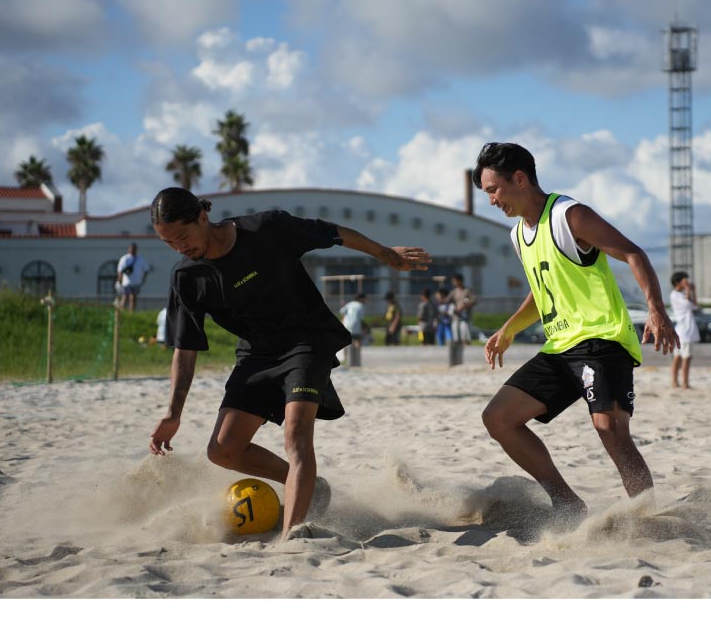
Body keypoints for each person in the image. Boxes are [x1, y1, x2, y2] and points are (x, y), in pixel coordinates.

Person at [146, 187, 431, 540]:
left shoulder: (266, 229)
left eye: (183, 237)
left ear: (203, 217)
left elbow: (335, 233)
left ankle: (293, 534)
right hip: (255, 355)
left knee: (296, 435)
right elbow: (185, 350)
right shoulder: (186, 277)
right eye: (168, 243)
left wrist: (384, 253)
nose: (179, 247)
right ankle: (311, 487)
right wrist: (174, 413)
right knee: (222, 450)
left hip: (306, 341)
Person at [474, 142, 677, 523]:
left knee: (610, 429)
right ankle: (566, 501)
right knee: (499, 418)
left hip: (602, 339)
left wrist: (656, 309)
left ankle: (650, 519)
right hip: (560, 346)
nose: (491, 201)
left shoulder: (570, 215)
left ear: (519, 178)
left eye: (493, 190)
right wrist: (508, 329)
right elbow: (542, 290)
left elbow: (634, 253)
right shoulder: (519, 234)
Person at [669, 271, 701, 389]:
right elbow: (687, 304)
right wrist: (688, 289)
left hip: (686, 329)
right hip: (684, 330)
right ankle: (683, 383)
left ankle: (679, 382)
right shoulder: (674, 295)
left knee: (680, 356)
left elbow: (695, 306)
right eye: (684, 280)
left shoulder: (682, 294)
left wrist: (693, 291)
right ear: (678, 282)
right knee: (683, 357)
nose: (686, 282)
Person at [116, 243, 152, 311]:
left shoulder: (140, 259)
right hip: (126, 282)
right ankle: (121, 311)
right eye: (132, 248)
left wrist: (143, 279)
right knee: (125, 297)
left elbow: (146, 270)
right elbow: (120, 270)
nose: (133, 250)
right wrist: (119, 280)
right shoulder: (125, 258)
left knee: (133, 297)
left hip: (136, 282)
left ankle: (131, 312)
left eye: (134, 248)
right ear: (129, 249)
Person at [448, 274, 478, 344]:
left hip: (465, 316)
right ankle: (457, 348)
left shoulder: (467, 290)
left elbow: (474, 300)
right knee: (455, 333)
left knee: (465, 332)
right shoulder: (454, 291)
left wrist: (464, 306)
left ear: (459, 281)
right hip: (456, 317)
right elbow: (447, 300)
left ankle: (467, 346)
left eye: (454, 281)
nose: (453, 282)